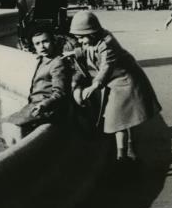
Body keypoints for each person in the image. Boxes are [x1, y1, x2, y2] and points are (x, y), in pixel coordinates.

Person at [68, 10, 162, 165]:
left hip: (126, 81)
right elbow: (86, 50)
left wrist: (94, 86)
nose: (82, 41)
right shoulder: (92, 41)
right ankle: (129, 153)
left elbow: (106, 67)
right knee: (125, 119)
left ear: (92, 32)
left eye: (83, 37)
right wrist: (75, 52)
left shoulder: (108, 43)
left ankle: (122, 157)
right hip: (116, 82)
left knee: (118, 120)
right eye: (78, 38)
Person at [3, 26, 72, 133]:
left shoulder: (57, 63)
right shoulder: (42, 59)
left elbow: (60, 92)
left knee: (12, 126)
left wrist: (44, 104)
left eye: (45, 42)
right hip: (35, 104)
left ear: (53, 41)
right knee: (6, 122)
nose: (42, 47)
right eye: (37, 44)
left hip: (47, 108)